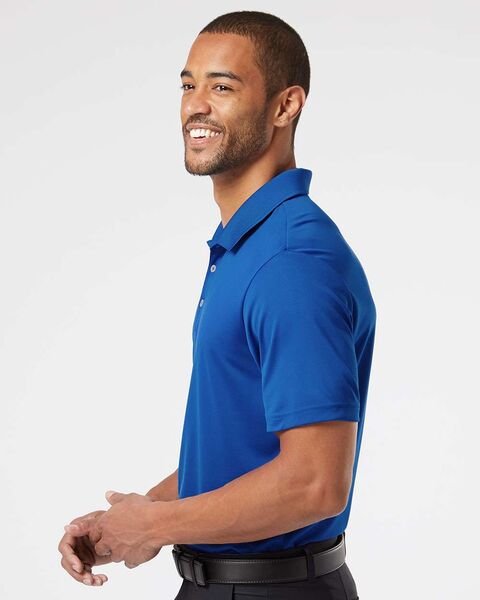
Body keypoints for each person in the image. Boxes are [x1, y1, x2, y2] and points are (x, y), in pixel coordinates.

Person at [58, 10, 376, 599]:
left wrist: (154, 525)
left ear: (285, 106)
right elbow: (244, 452)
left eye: (222, 86)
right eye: (188, 84)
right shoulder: (246, 246)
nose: (195, 105)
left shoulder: (290, 262)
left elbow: (314, 484)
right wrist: (135, 518)